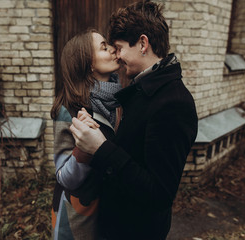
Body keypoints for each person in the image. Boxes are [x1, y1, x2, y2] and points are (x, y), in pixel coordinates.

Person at [70, 1, 198, 240]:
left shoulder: (174, 104)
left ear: (142, 43)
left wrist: (101, 148)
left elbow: (159, 194)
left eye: (119, 48)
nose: (117, 56)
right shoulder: (142, 89)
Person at [50, 29, 122, 240]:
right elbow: (65, 177)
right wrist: (84, 148)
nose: (112, 49)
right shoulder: (69, 110)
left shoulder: (117, 101)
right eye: (103, 47)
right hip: (79, 216)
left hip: (110, 209)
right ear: (88, 63)